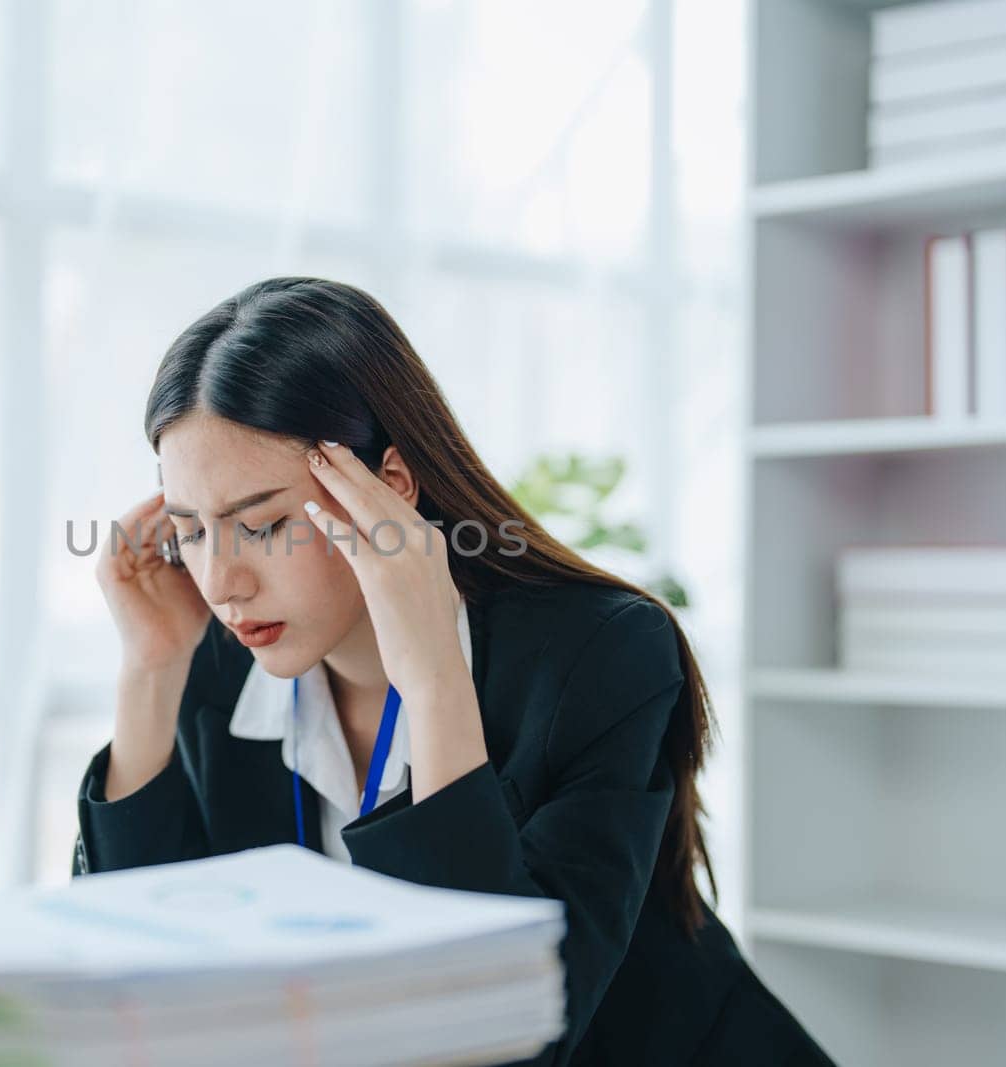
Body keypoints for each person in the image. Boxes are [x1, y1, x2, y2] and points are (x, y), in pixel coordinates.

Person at [69, 277, 834, 1066]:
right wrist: (150, 672)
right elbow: (133, 991)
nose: (222, 581)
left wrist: (432, 676)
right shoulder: (219, 660)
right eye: (192, 531)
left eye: (263, 525)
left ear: (389, 487)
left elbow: (510, 1039)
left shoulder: (600, 656)